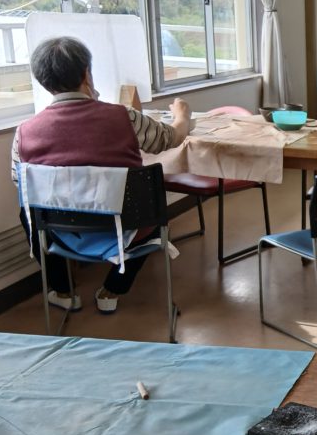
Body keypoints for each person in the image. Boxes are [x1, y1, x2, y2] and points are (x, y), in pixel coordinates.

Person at [11, 36, 191, 314]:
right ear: (86, 73)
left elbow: (20, 182)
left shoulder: (24, 132)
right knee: (150, 208)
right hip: (126, 229)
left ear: (43, 82)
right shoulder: (124, 117)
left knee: (29, 210)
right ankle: (112, 290)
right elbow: (169, 139)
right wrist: (182, 116)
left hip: (62, 233)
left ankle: (63, 291)